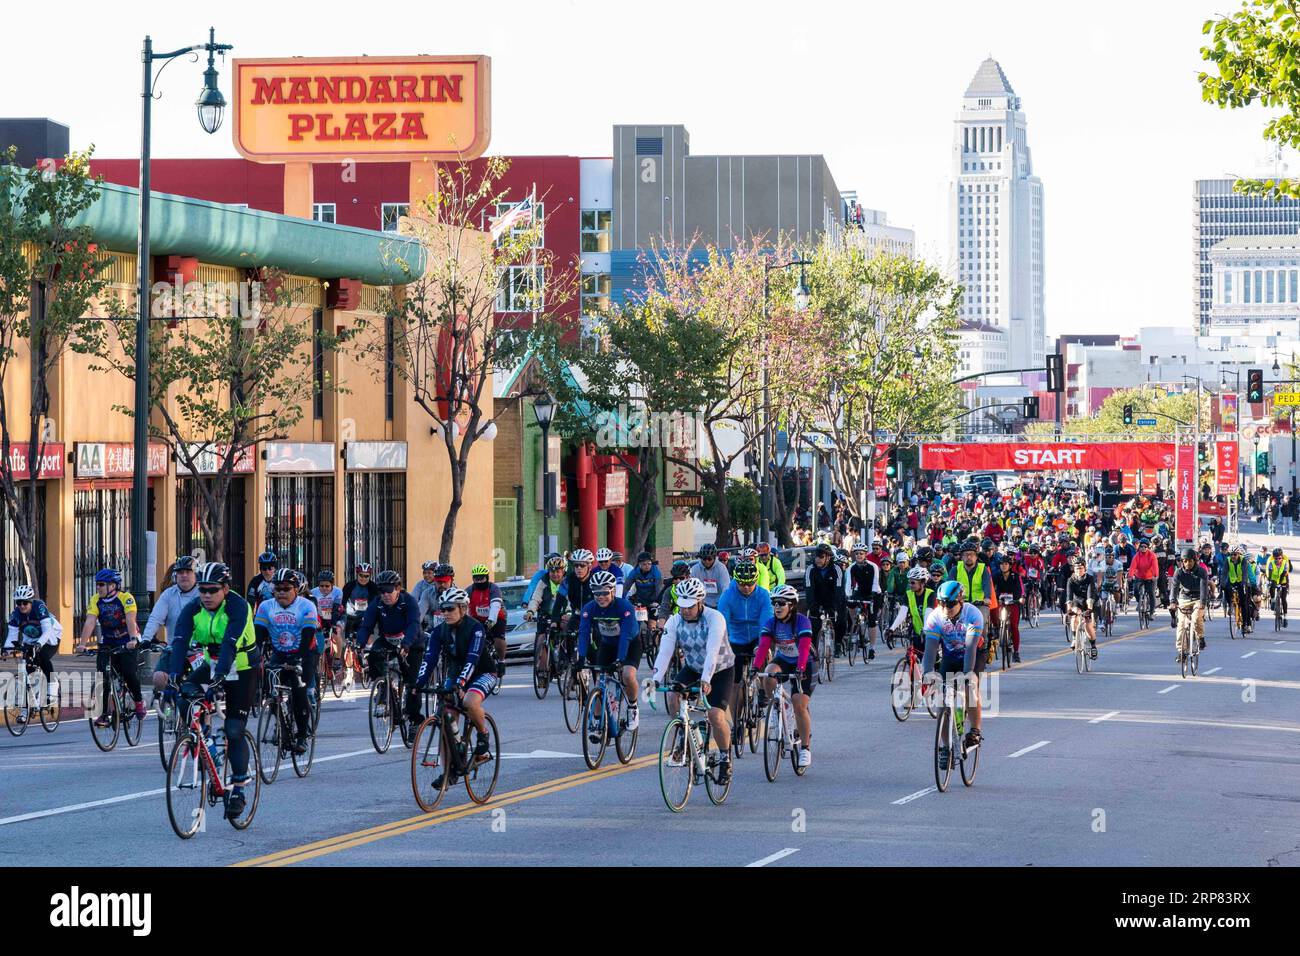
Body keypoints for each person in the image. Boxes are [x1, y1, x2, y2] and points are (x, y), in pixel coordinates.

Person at [169, 562, 260, 820]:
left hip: (241, 667)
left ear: (225, 589)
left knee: (233, 729)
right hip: (213, 665)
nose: (206, 595)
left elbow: (231, 644)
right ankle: (205, 739)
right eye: (202, 590)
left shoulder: (238, 606)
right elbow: (179, 641)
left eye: (213, 590)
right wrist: (175, 675)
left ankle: (240, 788)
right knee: (184, 692)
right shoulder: (193, 609)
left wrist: (220, 677)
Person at [651, 577, 736, 783]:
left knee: (715, 716)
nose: (685, 611)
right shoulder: (674, 620)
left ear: (700, 602)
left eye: (689, 607)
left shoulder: (715, 618)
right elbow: (665, 653)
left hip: (720, 669)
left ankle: (725, 758)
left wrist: (706, 680)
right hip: (693, 667)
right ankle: (683, 735)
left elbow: (712, 652)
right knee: (672, 694)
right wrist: (654, 679)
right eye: (682, 606)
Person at [415, 587, 499, 790]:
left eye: (450, 609)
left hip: (482, 672)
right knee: (444, 717)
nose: (445, 613)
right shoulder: (438, 631)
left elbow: (472, 658)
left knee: (469, 701)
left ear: (463, 608)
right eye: (442, 609)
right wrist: (417, 684)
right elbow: (430, 658)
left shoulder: (475, 628)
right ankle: (449, 771)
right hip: (456, 674)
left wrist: (461, 683)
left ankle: (482, 734)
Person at [253, 568, 320, 755]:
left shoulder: (307, 606)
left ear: (296, 590)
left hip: (305, 652)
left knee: (299, 691)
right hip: (280, 653)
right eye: (278, 588)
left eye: (286, 588)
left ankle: (301, 735)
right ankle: (281, 721)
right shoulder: (266, 607)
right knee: (271, 689)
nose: (281, 592)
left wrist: (299, 659)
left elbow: (307, 636)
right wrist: (254, 656)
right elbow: (258, 635)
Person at [922, 580, 986, 762]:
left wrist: (967, 674)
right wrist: (928, 673)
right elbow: (931, 648)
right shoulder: (935, 617)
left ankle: (975, 731)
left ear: (961, 601)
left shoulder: (973, 614)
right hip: (950, 655)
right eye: (942, 603)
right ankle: (945, 747)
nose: (945, 608)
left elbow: (971, 646)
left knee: (970, 686)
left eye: (950, 604)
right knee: (942, 702)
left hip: (973, 653)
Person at [753, 584, 815, 769]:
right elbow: (764, 646)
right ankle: (779, 706)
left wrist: (801, 668)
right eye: (774, 604)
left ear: (792, 605)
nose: (777, 607)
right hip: (784, 658)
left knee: (800, 704)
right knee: (770, 673)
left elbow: (804, 647)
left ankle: (805, 748)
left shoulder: (802, 622)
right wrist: (755, 667)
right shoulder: (772, 623)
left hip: (806, 662)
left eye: (781, 603)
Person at [356, 570, 426, 725]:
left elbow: (414, 624)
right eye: (382, 591)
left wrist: (406, 644)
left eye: (389, 590)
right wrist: (360, 644)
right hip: (388, 639)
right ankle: (384, 687)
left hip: (411, 642)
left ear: (398, 589)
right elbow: (366, 626)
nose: (385, 594)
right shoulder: (377, 603)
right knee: (374, 654)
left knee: (412, 683)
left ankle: (415, 721)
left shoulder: (409, 602)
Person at [576, 569, 641, 733]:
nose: (600, 596)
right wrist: (581, 657)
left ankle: (632, 707)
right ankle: (598, 722)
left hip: (630, 644)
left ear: (612, 591)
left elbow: (625, 635)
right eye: (597, 593)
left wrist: (620, 659)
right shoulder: (589, 608)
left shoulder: (624, 607)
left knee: (627, 675)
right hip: (608, 644)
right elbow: (583, 633)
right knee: (599, 684)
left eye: (605, 592)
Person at [80, 568, 145, 725]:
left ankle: (138, 701)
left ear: (113, 585)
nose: (98, 588)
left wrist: (133, 640)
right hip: (108, 641)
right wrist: (82, 643)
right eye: (97, 584)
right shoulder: (96, 600)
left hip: (127, 640)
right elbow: (90, 621)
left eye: (101, 584)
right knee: (103, 677)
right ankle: (103, 714)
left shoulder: (126, 598)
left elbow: (130, 620)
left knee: (129, 673)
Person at [717, 560, 772, 742]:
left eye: (750, 584)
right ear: (736, 581)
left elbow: (766, 622)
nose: (746, 587)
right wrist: (724, 646)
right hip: (736, 637)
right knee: (735, 683)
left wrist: (761, 645)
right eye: (742, 584)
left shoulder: (763, 595)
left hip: (757, 635)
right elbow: (722, 624)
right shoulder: (728, 595)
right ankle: (736, 723)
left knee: (765, 654)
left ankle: (763, 689)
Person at [143, 556, 202, 699]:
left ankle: (204, 719)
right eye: (180, 572)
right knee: (158, 678)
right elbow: (155, 618)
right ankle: (172, 711)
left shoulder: (203, 593)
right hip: (173, 648)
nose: (183, 575)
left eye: (188, 572)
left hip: (199, 649)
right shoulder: (169, 594)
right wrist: (146, 639)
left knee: (202, 686)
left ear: (196, 573)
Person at [3, 585, 62, 717]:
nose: (22, 606)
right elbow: (12, 636)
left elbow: (47, 631)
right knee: (24, 673)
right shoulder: (15, 615)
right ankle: (26, 709)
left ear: (31, 602)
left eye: (25, 603)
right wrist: (6, 650)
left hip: (50, 637)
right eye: (19, 603)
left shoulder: (39, 607)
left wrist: (39, 644)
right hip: (30, 640)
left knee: (43, 658)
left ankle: (53, 687)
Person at [806, 542, 848, 659]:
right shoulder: (810, 569)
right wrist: (812, 605)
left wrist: (834, 606)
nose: (818, 559)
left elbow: (839, 589)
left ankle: (838, 643)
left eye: (821, 557)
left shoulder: (837, 569)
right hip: (818, 600)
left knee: (840, 621)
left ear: (828, 557)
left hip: (834, 599)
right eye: (816, 557)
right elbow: (809, 589)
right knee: (814, 625)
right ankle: (814, 652)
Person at [467, 564, 508, 678]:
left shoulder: (493, 588)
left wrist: (491, 621)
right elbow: (463, 607)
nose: (479, 581)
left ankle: (501, 661)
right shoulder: (470, 590)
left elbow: (495, 606)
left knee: (498, 638)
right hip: (477, 618)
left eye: (481, 578)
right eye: (476, 578)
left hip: (497, 616)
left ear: (487, 578)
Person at [1171, 547, 1209, 661]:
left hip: (1198, 598)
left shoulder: (1202, 572)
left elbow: (1203, 589)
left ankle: (1201, 637)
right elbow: (1174, 588)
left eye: (1190, 561)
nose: (1187, 563)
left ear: (1195, 561)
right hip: (1184, 598)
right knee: (1181, 625)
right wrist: (1173, 601)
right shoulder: (1178, 572)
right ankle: (1181, 651)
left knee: (1197, 618)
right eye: (1185, 561)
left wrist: (1202, 603)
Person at [887, 566, 936, 655]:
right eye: (909, 582)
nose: (910, 585)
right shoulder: (908, 594)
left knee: (933, 663)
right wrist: (891, 629)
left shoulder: (931, 594)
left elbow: (928, 614)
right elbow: (902, 613)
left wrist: (926, 630)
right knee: (913, 660)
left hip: (932, 632)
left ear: (923, 582)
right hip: (917, 632)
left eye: (913, 582)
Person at [948, 541, 993, 634]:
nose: (969, 557)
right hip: (960, 604)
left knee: (980, 624)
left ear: (976, 556)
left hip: (979, 604)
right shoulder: (955, 570)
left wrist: (987, 598)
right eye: (966, 554)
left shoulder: (983, 569)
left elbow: (987, 585)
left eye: (972, 554)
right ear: (961, 557)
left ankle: (982, 647)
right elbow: (949, 586)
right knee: (950, 625)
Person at [847, 543, 881, 660]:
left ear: (865, 554)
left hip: (873, 592)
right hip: (860, 591)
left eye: (861, 553)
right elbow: (849, 584)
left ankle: (872, 648)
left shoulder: (873, 566)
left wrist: (872, 596)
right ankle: (854, 622)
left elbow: (875, 582)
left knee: (872, 621)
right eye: (857, 554)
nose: (859, 555)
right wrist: (848, 595)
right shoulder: (852, 567)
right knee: (850, 603)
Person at [990, 553, 1023, 663]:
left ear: (1010, 565)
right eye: (1001, 564)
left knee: (1014, 626)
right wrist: (994, 598)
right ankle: (996, 629)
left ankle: (1016, 652)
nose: (1003, 566)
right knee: (993, 612)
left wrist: (1019, 599)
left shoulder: (1015, 576)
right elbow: (991, 588)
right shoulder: (996, 575)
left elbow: (1019, 590)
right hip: (1000, 601)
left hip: (1013, 602)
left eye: (1006, 564)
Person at [1064, 557, 1100, 659]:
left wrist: (1089, 609)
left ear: (1085, 568)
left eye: (1080, 568)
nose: (1078, 570)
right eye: (1076, 568)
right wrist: (1069, 609)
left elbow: (1090, 594)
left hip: (1091, 601)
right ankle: (1075, 638)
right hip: (1078, 601)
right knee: (1074, 615)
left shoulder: (1089, 578)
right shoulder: (1071, 580)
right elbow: (1069, 596)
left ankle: (1093, 646)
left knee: (1088, 624)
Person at [1220, 545, 1257, 635]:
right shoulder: (1228, 560)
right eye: (1231, 554)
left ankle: (1245, 625)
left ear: (1239, 554)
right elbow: (1224, 573)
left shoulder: (1244, 561)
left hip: (1242, 582)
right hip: (1232, 581)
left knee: (1244, 603)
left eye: (1235, 554)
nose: (1233, 556)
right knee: (1226, 588)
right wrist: (1222, 584)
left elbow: (1245, 573)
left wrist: (1244, 583)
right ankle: (1230, 605)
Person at [341, 563, 380, 645]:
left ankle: (367, 656)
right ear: (357, 575)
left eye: (366, 576)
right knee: (350, 643)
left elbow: (377, 603)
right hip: (351, 617)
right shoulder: (350, 586)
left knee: (368, 640)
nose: (363, 578)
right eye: (361, 575)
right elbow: (343, 601)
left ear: (370, 576)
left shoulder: (373, 587)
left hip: (366, 617)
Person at [689, 544, 731, 608]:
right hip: (701, 605)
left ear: (714, 558)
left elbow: (726, 588)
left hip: (719, 604)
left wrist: (722, 604)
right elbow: (691, 587)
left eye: (709, 559)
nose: (706, 561)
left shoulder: (721, 568)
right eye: (704, 558)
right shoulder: (695, 569)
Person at [1265, 547, 1291, 627]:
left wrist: (1285, 584)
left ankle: (1285, 617)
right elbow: (1269, 572)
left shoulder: (1285, 562)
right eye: (1276, 558)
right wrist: (1269, 581)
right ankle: (1272, 600)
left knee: (1283, 599)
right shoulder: (1271, 562)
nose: (1277, 560)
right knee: (1271, 587)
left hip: (1283, 580)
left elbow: (1284, 574)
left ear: (1282, 557)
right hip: (1274, 579)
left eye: (1279, 558)